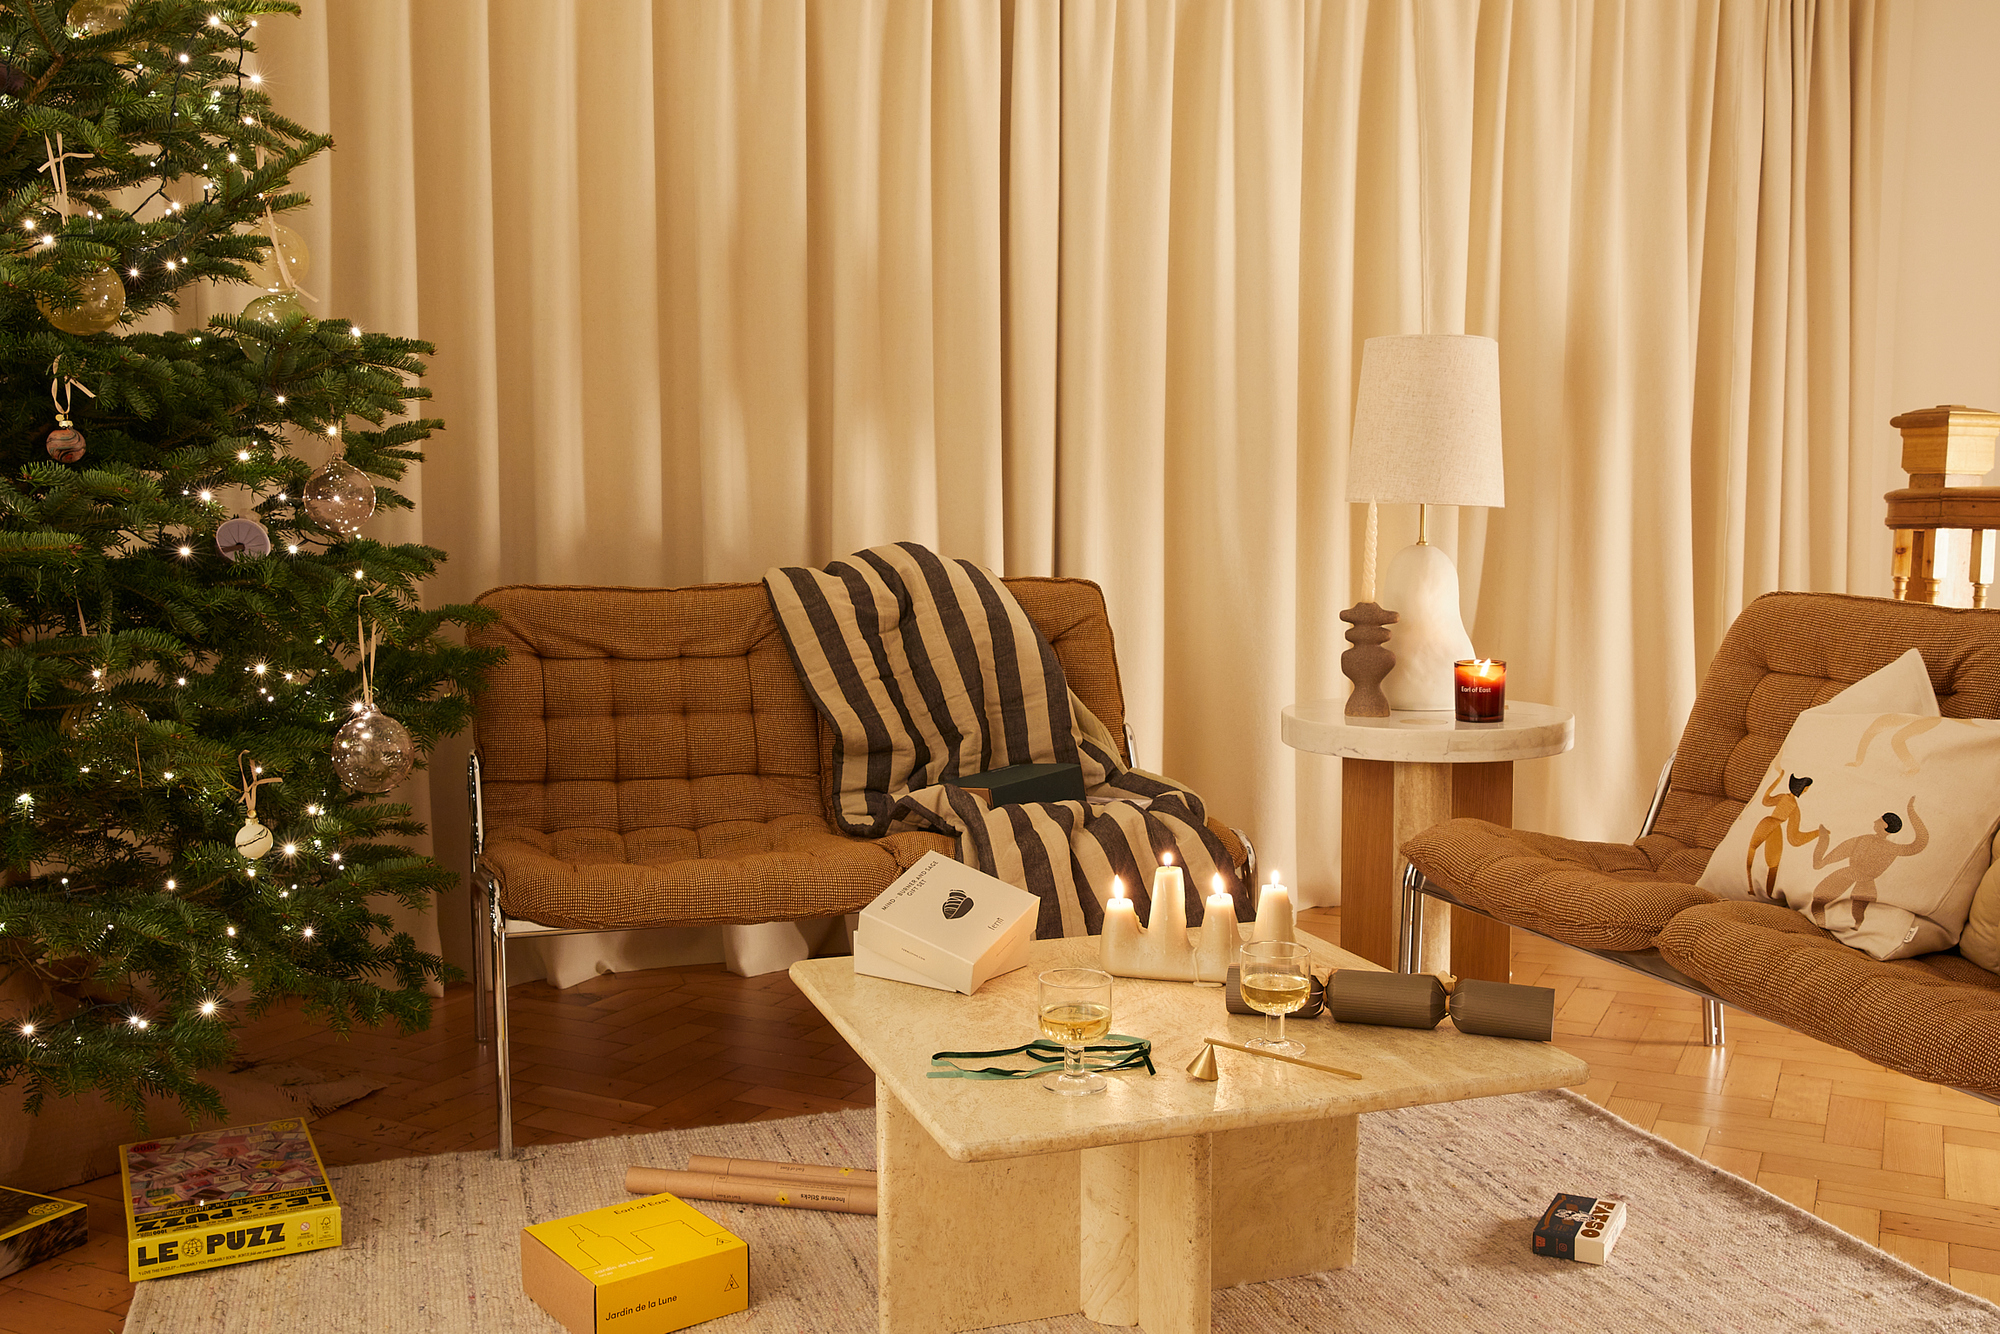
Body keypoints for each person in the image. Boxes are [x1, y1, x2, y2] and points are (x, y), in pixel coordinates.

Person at [1807, 800, 1927, 929]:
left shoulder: (1877, 844)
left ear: (1885, 825)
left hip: (1853, 876)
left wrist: (1911, 811)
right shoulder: (1874, 842)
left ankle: (1840, 926)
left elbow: (1920, 843)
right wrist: (1824, 859)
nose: (1875, 821)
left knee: (1847, 910)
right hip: (1858, 878)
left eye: (1879, 820)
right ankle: (1826, 924)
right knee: (1824, 902)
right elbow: (1842, 851)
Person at [1745, 771, 1824, 900]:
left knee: (1754, 851)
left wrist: (1778, 779)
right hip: (1774, 827)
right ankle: (1766, 895)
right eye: (1806, 789)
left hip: (1768, 823)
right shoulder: (1794, 807)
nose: (1806, 791)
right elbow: (1794, 838)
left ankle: (1752, 889)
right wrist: (1817, 833)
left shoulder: (1784, 799)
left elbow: (1766, 800)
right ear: (1801, 788)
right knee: (1772, 865)